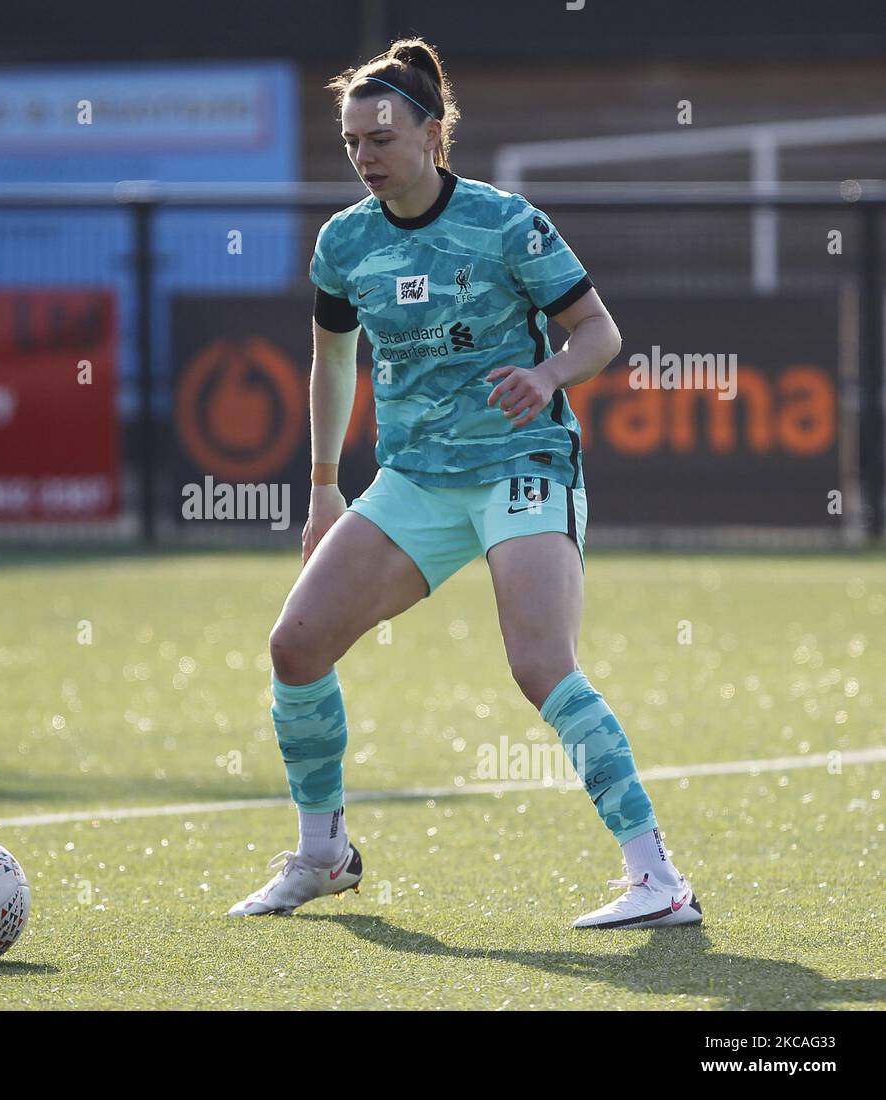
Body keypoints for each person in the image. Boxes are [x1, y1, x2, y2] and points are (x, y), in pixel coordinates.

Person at [227, 36, 702, 930]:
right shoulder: (344, 243)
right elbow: (331, 363)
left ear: (432, 134)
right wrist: (326, 484)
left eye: (382, 138)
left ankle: (658, 878)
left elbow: (599, 334)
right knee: (295, 647)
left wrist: (550, 377)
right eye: (352, 143)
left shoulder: (505, 221)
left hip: (520, 466)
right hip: (413, 479)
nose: (366, 157)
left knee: (540, 667)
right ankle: (323, 857)